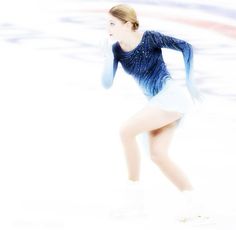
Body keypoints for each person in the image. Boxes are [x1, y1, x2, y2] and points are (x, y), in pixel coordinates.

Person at [101, 4, 207, 221]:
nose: (108, 28)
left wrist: (190, 80)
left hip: (171, 97)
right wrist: (106, 58)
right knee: (158, 154)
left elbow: (185, 46)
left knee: (126, 131)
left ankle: (134, 199)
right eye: (107, 23)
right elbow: (107, 84)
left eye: (112, 23)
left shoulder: (150, 38)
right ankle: (195, 205)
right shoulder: (116, 51)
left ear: (128, 24)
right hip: (158, 102)